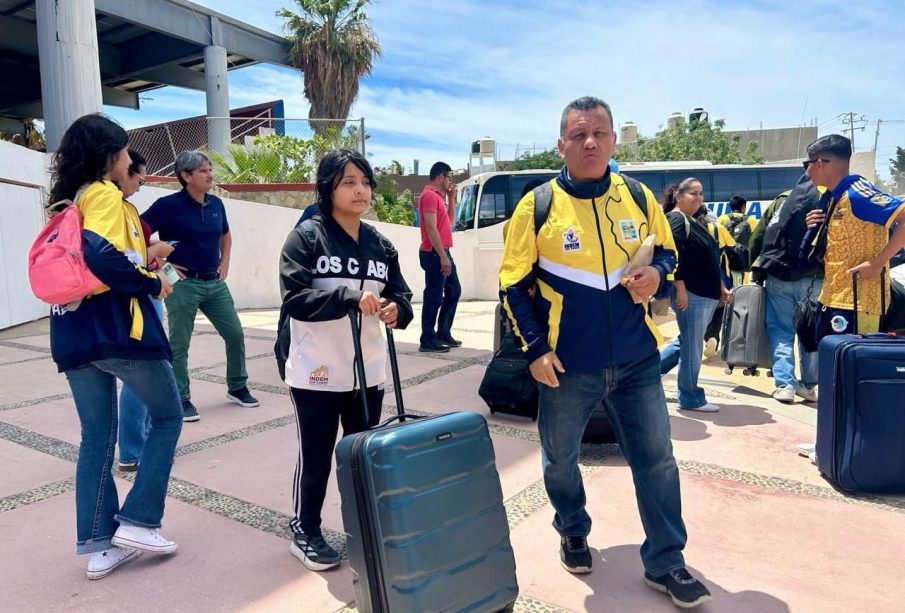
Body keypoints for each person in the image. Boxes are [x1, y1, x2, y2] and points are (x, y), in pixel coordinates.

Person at [499, 96, 711, 608]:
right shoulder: (538, 204)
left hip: (638, 360)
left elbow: (667, 250)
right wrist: (534, 350)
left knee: (657, 459)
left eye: (599, 133)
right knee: (559, 460)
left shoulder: (637, 197)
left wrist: (659, 273)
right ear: (561, 145)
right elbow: (513, 282)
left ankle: (666, 561)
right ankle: (572, 528)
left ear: (614, 141)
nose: (589, 142)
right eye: (578, 135)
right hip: (568, 365)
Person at [48, 114, 183, 580]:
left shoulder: (67, 200)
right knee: (168, 415)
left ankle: (101, 545)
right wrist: (151, 282)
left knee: (97, 439)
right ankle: (140, 521)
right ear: (109, 156)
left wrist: (143, 261)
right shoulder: (104, 195)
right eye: (125, 151)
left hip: (72, 331)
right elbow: (100, 254)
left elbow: (96, 257)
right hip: (116, 330)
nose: (130, 160)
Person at [275, 149, 413, 571]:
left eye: (365, 182)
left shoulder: (379, 243)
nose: (360, 190)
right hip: (316, 368)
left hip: (368, 371)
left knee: (360, 455)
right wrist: (349, 298)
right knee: (316, 456)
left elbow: (403, 295)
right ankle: (306, 529)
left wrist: (397, 310)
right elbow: (295, 298)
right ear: (328, 187)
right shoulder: (307, 236)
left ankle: (363, 528)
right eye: (348, 182)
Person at [142, 151, 259, 422]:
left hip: (214, 283)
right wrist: (162, 263)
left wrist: (225, 261)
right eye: (204, 171)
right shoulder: (167, 205)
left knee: (234, 334)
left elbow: (225, 234)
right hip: (182, 284)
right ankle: (181, 397)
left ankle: (237, 386)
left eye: (210, 169)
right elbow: (136, 232)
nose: (210, 174)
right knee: (180, 343)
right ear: (186, 176)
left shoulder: (216, 203)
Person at [803, 135, 905, 340]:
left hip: (860, 303)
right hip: (832, 298)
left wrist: (877, 263)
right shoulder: (835, 197)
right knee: (832, 367)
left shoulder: (858, 193)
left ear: (820, 164)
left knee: (852, 368)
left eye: (807, 164)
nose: (806, 171)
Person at [116, 150, 175, 471]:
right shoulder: (114, 208)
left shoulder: (122, 209)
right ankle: (134, 451)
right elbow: (125, 260)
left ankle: (137, 447)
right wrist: (158, 251)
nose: (140, 183)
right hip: (138, 299)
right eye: (138, 175)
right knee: (143, 376)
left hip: (142, 294)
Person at [749, 175, 825, 404]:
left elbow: (758, 236)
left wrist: (756, 267)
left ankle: (785, 385)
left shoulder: (783, 199)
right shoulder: (827, 198)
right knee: (809, 330)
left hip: (779, 276)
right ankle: (810, 386)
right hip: (814, 278)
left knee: (781, 330)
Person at [659, 179, 732, 412]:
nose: (698, 198)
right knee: (692, 347)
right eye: (693, 193)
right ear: (678, 196)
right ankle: (690, 397)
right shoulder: (676, 219)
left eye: (701, 194)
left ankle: (644, 377)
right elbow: (671, 255)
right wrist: (679, 288)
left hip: (704, 293)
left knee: (686, 342)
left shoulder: (694, 221)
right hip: (692, 293)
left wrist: (720, 286)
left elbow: (709, 258)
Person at [418, 162, 461, 352]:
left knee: (454, 290)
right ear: (441, 176)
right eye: (450, 177)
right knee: (433, 296)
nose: (451, 181)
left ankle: (442, 332)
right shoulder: (428, 195)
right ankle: (427, 339)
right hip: (434, 252)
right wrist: (443, 256)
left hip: (442, 251)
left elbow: (450, 223)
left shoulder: (438, 197)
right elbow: (430, 227)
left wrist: (452, 198)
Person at [699, 207, 737, 360]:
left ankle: (705, 337)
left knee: (701, 311)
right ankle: (713, 336)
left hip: (697, 277)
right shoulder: (718, 228)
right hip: (721, 275)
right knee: (719, 308)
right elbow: (732, 248)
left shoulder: (691, 226)